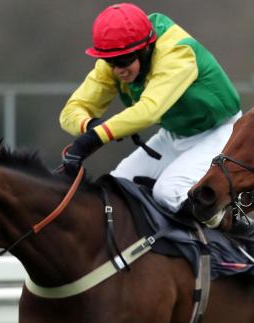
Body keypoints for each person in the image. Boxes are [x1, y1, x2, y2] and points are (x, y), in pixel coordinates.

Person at [59, 3, 241, 217]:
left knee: (168, 192)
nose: (118, 70)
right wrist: (90, 126)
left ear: (145, 48)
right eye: (110, 62)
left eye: (124, 61)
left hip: (223, 132)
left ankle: (241, 230)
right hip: (174, 135)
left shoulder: (177, 53)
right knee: (117, 188)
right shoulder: (114, 65)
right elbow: (70, 111)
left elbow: (149, 111)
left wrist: (94, 138)